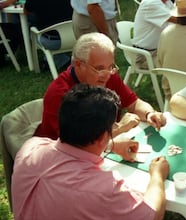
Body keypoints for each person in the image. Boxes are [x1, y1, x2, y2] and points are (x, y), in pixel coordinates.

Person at [12, 84, 170, 220]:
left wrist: (109, 146)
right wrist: (157, 176)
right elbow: (153, 218)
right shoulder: (104, 189)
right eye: (113, 127)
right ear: (103, 136)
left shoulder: (30, 149)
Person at [34, 32, 166, 162]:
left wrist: (149, 114)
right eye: (99, 68)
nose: (107, 74)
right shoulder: (59, 94)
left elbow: (134, 103)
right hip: (62, 161)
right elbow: (76, 147)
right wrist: (120, 128)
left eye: (111, 67)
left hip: (104, 151)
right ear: (78, 65)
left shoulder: (106, 76)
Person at [24, 0, 73, 70]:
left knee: (32, 27)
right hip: (74, 37)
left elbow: (25, 12)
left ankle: (60, 60)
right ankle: (51, 60)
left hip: (51, 42)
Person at [131, 0, 175, 69]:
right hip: (145, 56)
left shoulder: (167, 2)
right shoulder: (151, 3)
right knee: (180, 62)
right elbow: (177, 19)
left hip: (158, 50)